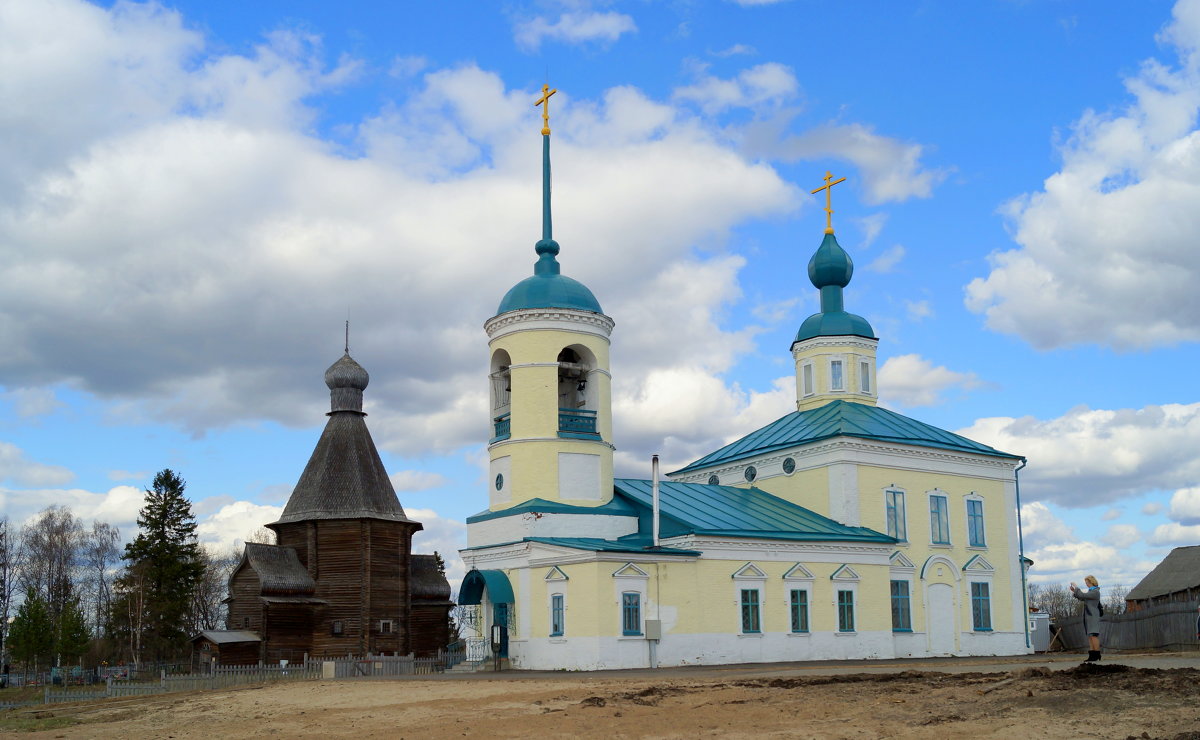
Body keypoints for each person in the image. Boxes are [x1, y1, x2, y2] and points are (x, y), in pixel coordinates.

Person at [1070, 575, 1102, 662]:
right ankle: (1092, 655)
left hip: (1092, 616)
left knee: (1093, 635)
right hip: (1088, 616)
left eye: (1087, 583)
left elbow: (1082, 595)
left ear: (1092, 582)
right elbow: (1082, 597)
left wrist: (1076, 587)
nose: (1086, 584)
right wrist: (1074, 592)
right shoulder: (1091, 592)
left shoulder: (1095, 592)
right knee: (1090, 636)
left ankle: (1097, 654)